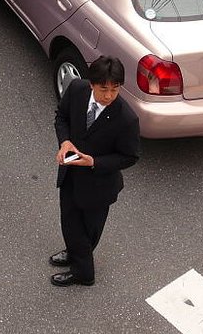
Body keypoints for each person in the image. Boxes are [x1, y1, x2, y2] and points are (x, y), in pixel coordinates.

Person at [49, 56, 140, 286]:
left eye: (115, 89)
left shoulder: (127, 119)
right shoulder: (77, 90)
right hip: (70, 174)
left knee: (89, 230)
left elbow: (129, 157)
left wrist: (94, 162)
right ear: (91, 84)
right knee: (69, 220)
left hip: (100, 185)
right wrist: (65, 141)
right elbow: (62, 117)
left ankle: (83, 273)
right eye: (103, 89)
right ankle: (74, 253)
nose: (108, 96)